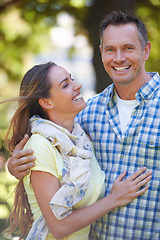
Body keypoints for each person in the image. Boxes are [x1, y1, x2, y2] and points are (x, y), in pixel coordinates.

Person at [7, 10, 160, 239]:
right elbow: (49, 145)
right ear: (101, 53)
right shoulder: (87, 115)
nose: (118, 58)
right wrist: (13, 166)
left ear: (145, 50)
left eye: (128, 48)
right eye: (110, 49)